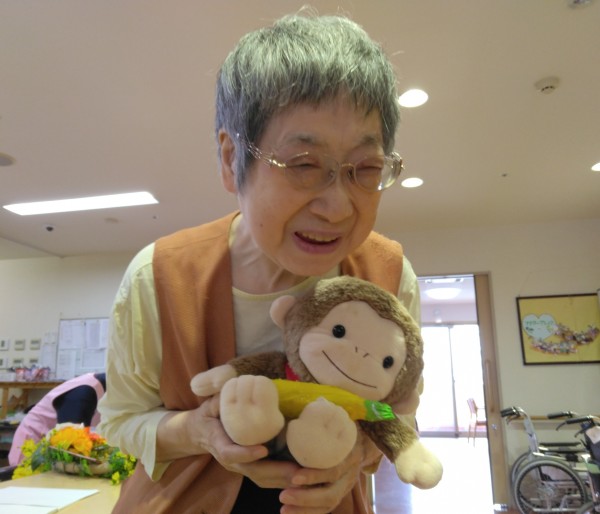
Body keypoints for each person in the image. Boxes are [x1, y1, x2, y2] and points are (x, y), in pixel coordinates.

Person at [98, 10, 422, 514]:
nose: (338, 207)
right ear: (232, 160)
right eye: (304, 164)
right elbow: (120, 421)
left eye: (366, 168)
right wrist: (200, 431)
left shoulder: (389, 277)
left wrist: (355, 455)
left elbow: (396, 414)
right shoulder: (158, 276)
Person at [8, 372, 106, 466]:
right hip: (34, 444)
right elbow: (72, 446)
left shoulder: (106, 389)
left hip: (54, 450)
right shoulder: (83, 393)